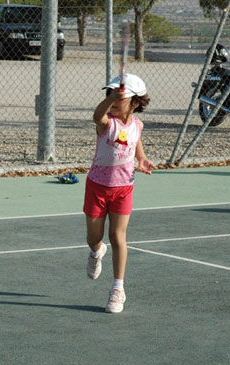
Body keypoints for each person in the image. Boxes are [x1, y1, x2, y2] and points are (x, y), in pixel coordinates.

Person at [84, 73, 156, 314]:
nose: (112, 100)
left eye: (119, 97)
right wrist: (111, 99)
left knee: (118, 237)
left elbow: (135, 142)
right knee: (94, 237)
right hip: (97, 187)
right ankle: (96, 251)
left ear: (135, 102)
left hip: (124, 188)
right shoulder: (106, 123)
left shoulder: (137, 125)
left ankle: (117, 288)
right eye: (109, 95)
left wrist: (142, 158)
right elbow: (97, 116)